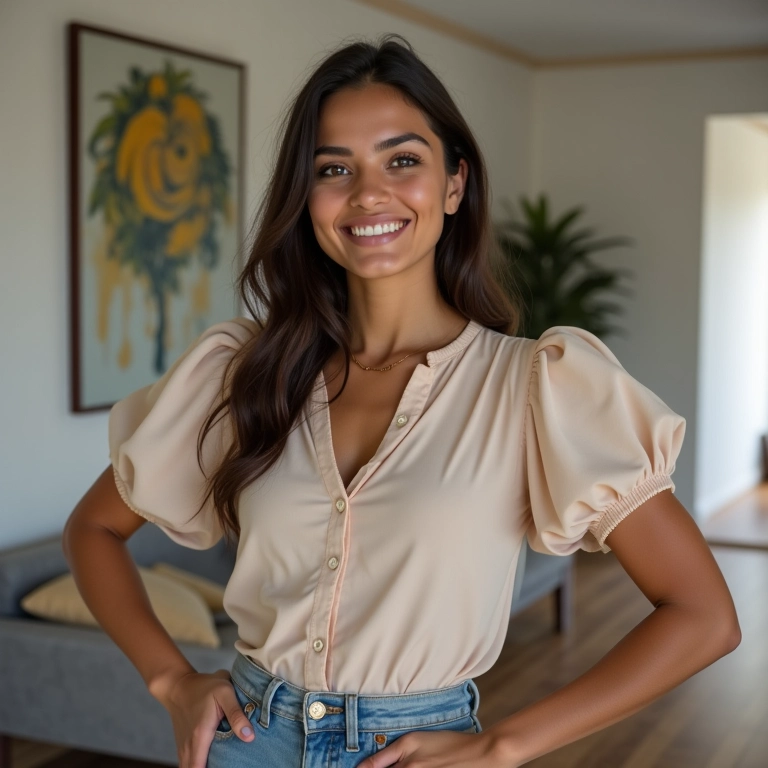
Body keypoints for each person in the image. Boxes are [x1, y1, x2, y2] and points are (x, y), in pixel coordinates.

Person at [63, 33, 740, 768]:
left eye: (402, 160)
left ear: (454, 184)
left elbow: (703, 616)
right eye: (333, 168)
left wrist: (507, 745)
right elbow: (93, 530)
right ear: (307, 196)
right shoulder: (246, 374)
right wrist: (171, 680)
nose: (368, 194)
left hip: (416, 750)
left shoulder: (538, 388)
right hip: (245, 742)